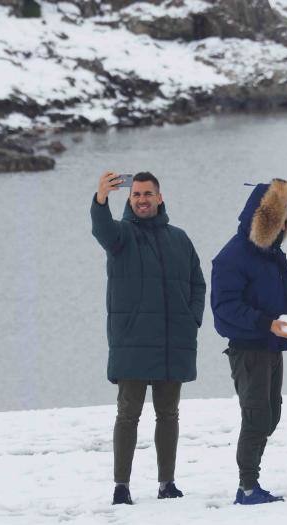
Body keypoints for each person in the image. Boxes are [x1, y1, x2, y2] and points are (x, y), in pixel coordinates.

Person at [90, 171, 206, 504]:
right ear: (130, 199)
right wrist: (101, 198)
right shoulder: (121, 236)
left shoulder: (179, 239)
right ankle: (121, 486)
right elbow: (101, 228)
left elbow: (198, 283)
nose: (142, 199)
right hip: (132, 342)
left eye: (148, 194)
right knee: (128, 415)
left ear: (160, 198)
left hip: (173, 341)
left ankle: (167, 483)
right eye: (136, 194)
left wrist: (192, 319)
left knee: (168, 415)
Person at [211, 179, 287, 505]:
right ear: (264, 217)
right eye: (280, 214)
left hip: (272, 345)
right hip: (248, 348)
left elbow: (283, 289)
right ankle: (247, 487)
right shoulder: (231, 257)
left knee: (271, 416)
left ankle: (250, 484)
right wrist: (266, 323)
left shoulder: (272, 253)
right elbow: (225, 310)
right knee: (257, 416)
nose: (285, 222)